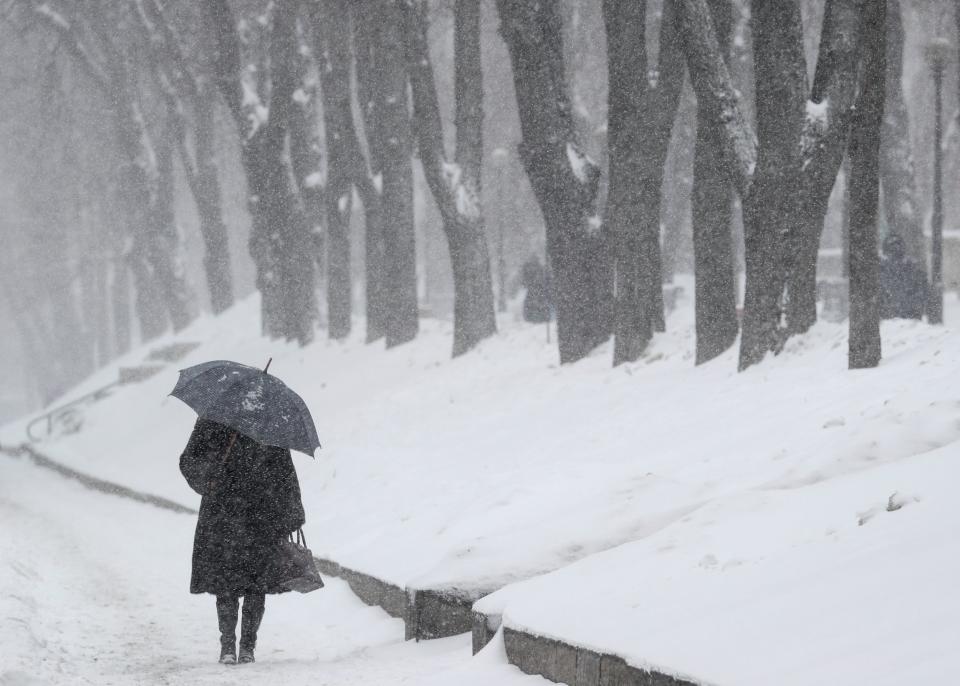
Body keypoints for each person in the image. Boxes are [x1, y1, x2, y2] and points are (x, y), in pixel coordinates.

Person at [180, 418, 305, 665]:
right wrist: (208, 479)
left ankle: (246, 645)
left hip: (253, 513)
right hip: (231, 512)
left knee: (250, 582)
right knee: (234, 580)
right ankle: (230, 644)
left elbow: (284, 472)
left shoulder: (226, 418)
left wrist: (292, 512)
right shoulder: (215, 420)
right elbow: (189, 461)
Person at [879, 233, 927, 320]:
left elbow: (921, 290)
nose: (895, 250)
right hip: (896, 314)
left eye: (897, 246)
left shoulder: (911, 266)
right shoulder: (881, 267)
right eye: (892, 247)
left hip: (905, 314)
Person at [521, 255, 552, 323]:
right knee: (536, 304)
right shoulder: (535, 268)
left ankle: (539, 318)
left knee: (538, 304)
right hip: (536, 290)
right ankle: (536, 318)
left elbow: (525, 282)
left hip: (538, 290)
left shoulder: (540, 268)